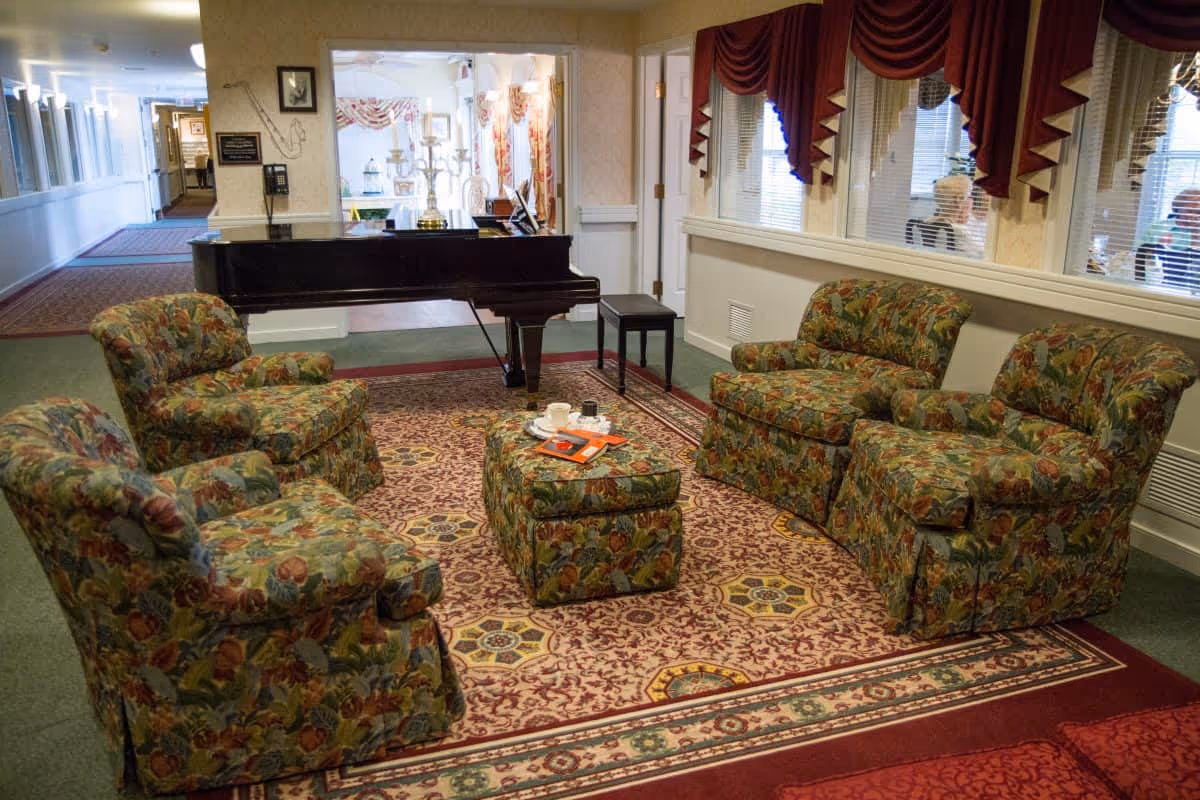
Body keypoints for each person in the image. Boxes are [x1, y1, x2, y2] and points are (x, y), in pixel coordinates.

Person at [1136, 188, 1200, 289]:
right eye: (1190, 211)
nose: (1194, 216)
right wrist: (1158, 248)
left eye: (1198, 212)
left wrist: (1196, 232)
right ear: (1178, 208)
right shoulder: (1158, 228)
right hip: (1157, 284)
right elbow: (1139, 257)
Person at [925, 174, 984, 258]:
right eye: (968, 197)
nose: (971, 200)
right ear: (958, 201)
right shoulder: (958, 229)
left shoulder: (928, 222)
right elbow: (983, 253)